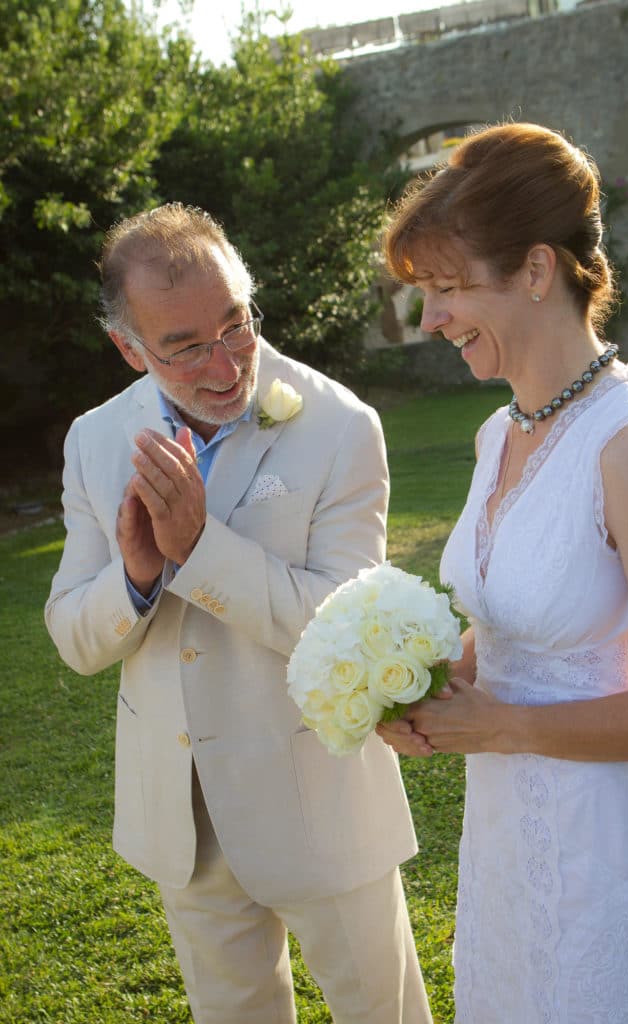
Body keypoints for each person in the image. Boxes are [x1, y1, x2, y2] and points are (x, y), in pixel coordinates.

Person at [45, 203, 433, 1024]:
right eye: (184, 347)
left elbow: (342, 626)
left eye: (236, 324)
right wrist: (139, 576)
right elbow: (76, 638)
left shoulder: (338, 425)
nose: (225, 366)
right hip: (181, 817)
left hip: (321, 804)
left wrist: (197, 548)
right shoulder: (95, 439)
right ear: (128, 348)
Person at [377, 123, 628, 1023]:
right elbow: (522, 616)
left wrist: (501, 725)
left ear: (537, 270)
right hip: (507, 843)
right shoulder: (496, 432)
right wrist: (437, 683)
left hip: (609, 859)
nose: (428, 320)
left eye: (445, 288)